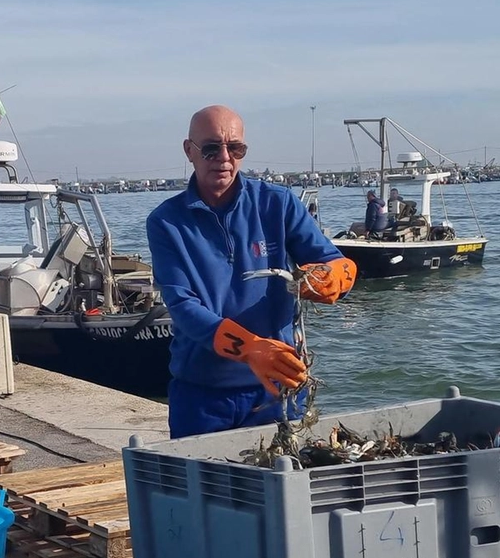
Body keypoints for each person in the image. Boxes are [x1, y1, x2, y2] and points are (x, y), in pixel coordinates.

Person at [146, 105, 358, 439]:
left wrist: (333, 277)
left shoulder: (278, 203)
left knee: (286, 485)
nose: (224, 158)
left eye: (236, 148)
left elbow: (333, 259)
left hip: (279, 390)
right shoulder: (166, 222)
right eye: (211, 148)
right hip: (202, 396)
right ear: (190, 151)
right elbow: (183, 307)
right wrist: (250, 348)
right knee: (203, 490)